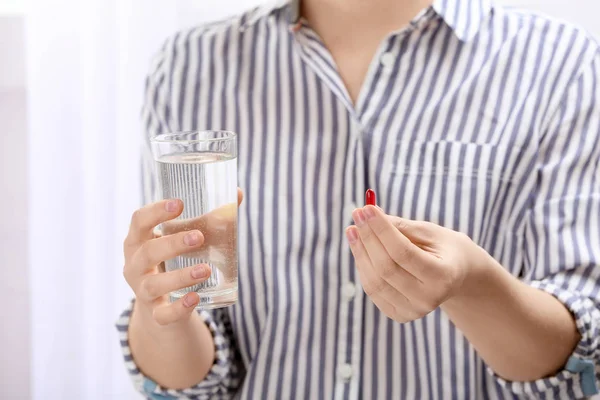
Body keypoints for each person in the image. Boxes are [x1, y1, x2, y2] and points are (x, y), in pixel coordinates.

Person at [117, 0, 600, 398]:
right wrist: (159, 309)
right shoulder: (188, 67)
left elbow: (576, 356)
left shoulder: (559, 64)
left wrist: (472, 284)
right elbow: (194, 371)